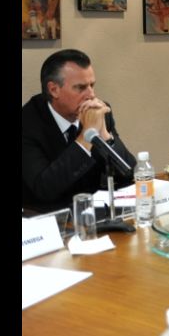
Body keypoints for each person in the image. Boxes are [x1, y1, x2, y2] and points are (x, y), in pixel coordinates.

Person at [22, 49, 136, 213]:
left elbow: (128, 174)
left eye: (92, 85)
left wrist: (104, 135)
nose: (91, 95)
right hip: (47, 220)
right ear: (54, 90)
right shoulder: (27, 123)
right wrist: (86, 137)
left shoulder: (98, 113)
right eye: (81, 87)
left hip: (93, 216)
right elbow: (44, 188)